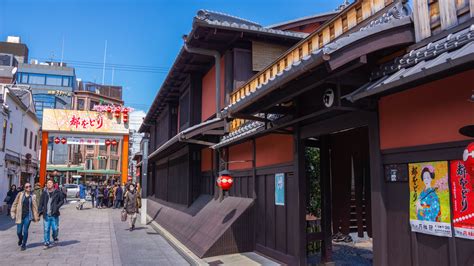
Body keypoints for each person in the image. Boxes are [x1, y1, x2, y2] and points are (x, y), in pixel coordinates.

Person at [10, 182, 40, 251]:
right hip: (20, 215)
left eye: (29, 186)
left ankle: (24, 244)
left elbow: (35, 207)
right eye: (27, 187)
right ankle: (21, 239)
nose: (28, 187)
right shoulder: (20, 194)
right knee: (19, 232)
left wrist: (37, 215)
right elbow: (15, 203)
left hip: (28, 216)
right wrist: (12, 212)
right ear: (24, 188)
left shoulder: (33, 196)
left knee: (25, 230)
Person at [39, 179, 64, 249]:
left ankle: (55, 236)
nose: (49, 184)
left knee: (55, 229)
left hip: (54, 214)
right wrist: (39, 211)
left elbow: (62, 201)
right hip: (46, 214)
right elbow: (41, 203)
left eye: (50, 183)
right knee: (46, 229)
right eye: (48, 183)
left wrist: (57, 207)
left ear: (53, 184)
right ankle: (46, 242)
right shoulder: (44, 193)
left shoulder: (57, 192)